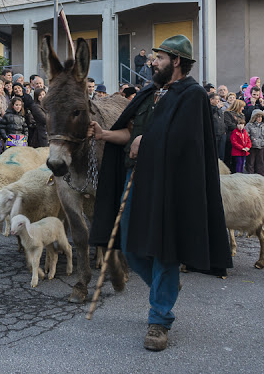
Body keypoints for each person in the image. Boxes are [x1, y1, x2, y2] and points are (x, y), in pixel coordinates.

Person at [89, 34, 231, 352]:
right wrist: (104, 134)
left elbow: (183, 142)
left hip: (170, 185)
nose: (152, 62)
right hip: (136, 179)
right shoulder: (152, 92)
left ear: (176, 61)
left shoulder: (192, 95)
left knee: (166, 248)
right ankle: (164, 288)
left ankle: (159, 319)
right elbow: (132, 133)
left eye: (159, 57)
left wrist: (146, 143)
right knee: (130, 243)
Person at [245, 110, 264, 176]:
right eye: (258, 117)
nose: (259, 118)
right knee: (251, 160)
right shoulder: (249, 125)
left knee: (260, 160)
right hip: (252, 145)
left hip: (261, 145)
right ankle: (250, 173)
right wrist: (251, 139)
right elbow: (246, 134)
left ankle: (261, 173)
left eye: (261, 117)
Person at [209, 93, 227, 160]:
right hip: (214, 134)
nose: (218, 101)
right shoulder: (209, 108)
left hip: (222, 134)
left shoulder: (219, 109)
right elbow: (210, 114)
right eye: (217, 99)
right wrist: (217, 108)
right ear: (211, 100)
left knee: (221, 154)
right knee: (214, 154)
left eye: (219, 99)